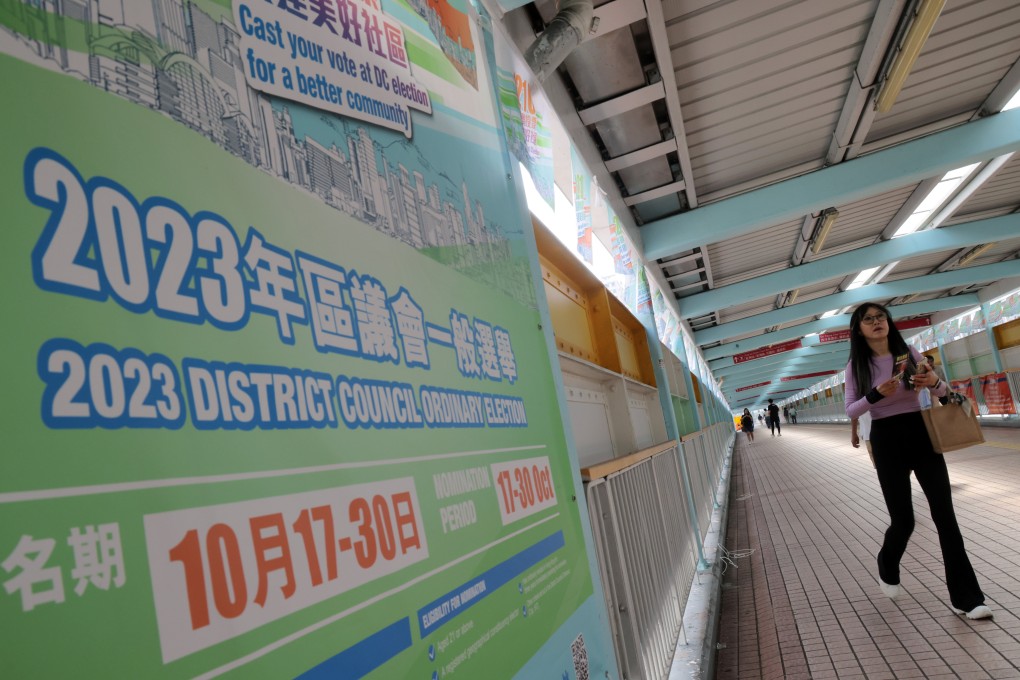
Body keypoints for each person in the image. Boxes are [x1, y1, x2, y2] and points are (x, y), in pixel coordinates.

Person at [844, 302, 991, 619]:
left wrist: (932, 383)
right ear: (859, 329)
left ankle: (968, 599)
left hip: (922, 433)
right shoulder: (857, 365)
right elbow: (851, 409)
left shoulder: (907, 351)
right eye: (868, 320)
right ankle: (887, 561)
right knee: (904, 521)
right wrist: (876, 394)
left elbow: (942, 391)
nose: (877, 322)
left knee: (945, 517)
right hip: (886, 440)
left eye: (881, 317)